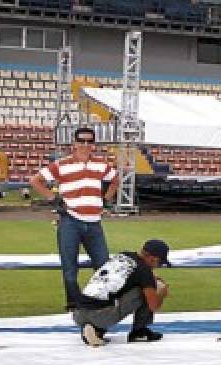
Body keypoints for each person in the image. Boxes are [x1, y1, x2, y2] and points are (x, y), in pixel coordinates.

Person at [30, 126, 119, 309]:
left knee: (103, 266)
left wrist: (106, 199)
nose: (85, 145)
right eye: (82, 141)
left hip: (94, 222)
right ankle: (73, 303)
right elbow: (35, 180)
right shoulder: (61, 164)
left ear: (93, 144)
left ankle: (101, 301)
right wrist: (53, 198)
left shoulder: (102, 164)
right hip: (70, 220)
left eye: (89, 141)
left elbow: (115, 179)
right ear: (74, 144)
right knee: (70, 268)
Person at [73, 240, 170, 347]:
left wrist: (151, 278)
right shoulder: (144, 271)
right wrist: (160, 292)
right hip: (100, 315)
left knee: (109, 297)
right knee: (151, 288)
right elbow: (153, 306)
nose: (158, 266)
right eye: (160, 263)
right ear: (153, 259)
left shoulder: (123, 256)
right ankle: (139, 333)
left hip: (78, 312)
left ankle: (95, 330)